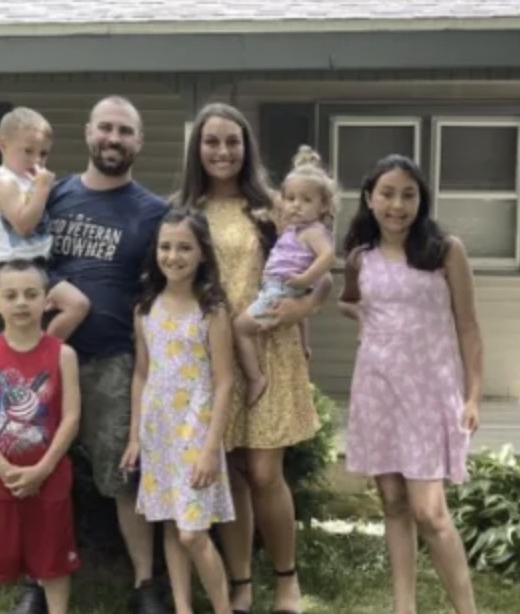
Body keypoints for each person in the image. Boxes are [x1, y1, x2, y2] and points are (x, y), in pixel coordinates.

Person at [7, 96, 170, 614]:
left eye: (125, 131)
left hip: (112, 360)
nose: (114, 139)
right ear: (88, 133)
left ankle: (146, 584)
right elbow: (17, 260)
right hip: (42, 362)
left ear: (138, 143)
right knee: (37, 468)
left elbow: (163, 290)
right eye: (106, 128)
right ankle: (36, 579)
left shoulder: (153, 212)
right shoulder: (51, 195)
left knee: (123, 473)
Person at [174, 102, 331, 614]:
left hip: (269, 348)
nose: (223, 151)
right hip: (210, 357)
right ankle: (240, 582)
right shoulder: (183, 210)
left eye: (233, 141)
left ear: (247, 148)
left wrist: (301, 310)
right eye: (212, 141)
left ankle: (286, 579)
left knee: (264, 473)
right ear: (197, 149)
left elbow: (320, 272)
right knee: (232, 473)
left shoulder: (274, 207)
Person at [338, 154, 482, 614]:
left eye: (408, 194)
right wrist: (367, 320)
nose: (397, 205)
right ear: (368, 198)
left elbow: (469, 328)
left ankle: (467, 610)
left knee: (431, 512)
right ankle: (404, 608)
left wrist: (474, 394)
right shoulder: (360, 258)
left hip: (430, 392)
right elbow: (349, 302)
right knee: (394, 502)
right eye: (387, 193)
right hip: (377, 389)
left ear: (421, 200)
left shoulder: (445, 251)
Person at [121, 208, 236, 614]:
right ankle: (182, 607)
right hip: (159, 430)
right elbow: (140, 374)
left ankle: (223, 608)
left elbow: (224, 381)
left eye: (184, 247)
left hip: (195, 430)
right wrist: (135, 436)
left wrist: (209, 447)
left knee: (192, 533)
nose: (174, 256)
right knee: (171, 523)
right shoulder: (145, 309)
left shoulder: (212, 310)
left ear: (202, 253)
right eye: (166, 247)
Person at [0, 258, 82, 614]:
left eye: (31, 294)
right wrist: (2, 469)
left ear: (46, 301)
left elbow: (71, 417)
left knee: (55, 562)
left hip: (51, 479)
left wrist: (42, 470)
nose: (20, 303)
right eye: (10, 295)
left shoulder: (63, 355)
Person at [232, 145, 337, 407]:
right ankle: (303, 348)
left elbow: (328, 256)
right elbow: (275, 201)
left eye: (306, 200)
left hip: (281, 291)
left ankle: (255, 378)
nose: (296, 206)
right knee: (299, 319)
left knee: (240, 329)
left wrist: (305, 279)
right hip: (281, 288)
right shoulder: (294, 228)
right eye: (291, 199)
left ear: (324, 205)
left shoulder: (313, 231)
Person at [0, 106, 91, 341]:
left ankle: (39, 349)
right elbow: (24, 226)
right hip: (14, 268)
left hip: (38, 265)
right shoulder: (5, 183)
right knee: (77, 305)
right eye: (28, 151)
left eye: (43, 154)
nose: (36, 160)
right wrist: (42, 189)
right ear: (3, 145)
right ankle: (46, 353)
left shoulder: (25, 180)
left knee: (60, 310)